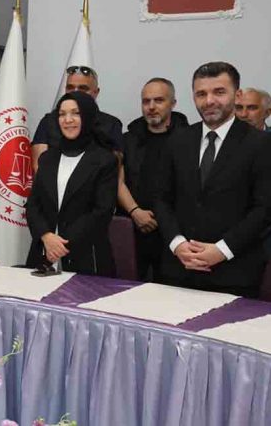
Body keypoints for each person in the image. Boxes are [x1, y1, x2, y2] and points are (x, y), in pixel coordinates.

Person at [154, 62, 271, 298]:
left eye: (219, 92)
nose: (209, 101)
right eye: (201, 94)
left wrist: (222, 250)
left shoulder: (260, 144)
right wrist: (177, 244)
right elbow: (161, 199)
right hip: (178, 269)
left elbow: (264, 208)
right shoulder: (178, 140)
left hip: (234, 273)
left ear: (237, 95)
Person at [25, 91, 118, 274]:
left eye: (76, 113)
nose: (68, 120)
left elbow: (102, 211)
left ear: (88, 116)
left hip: (86, 258)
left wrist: (60, 244)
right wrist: (46, 236)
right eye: (62, 114)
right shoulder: (47, 158)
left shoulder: (105, 160)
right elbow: (33, 205)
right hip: (43, 252)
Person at [118, 78, 188, 281]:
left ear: (173, 103)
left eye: (159, 100)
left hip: (176, 233)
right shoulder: (128, 139)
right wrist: (135, 211)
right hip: (134, 227)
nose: (151, 107)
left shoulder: (189, 139)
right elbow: (117, 180)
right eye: (146, 101)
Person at [30, 66, 123, 173]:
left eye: (83, 88)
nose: (75, 92)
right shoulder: (49, 121)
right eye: (70, 87)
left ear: (96, 92)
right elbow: (38, 166)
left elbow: (116, 169)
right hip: (54, 182)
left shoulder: (111, 124)